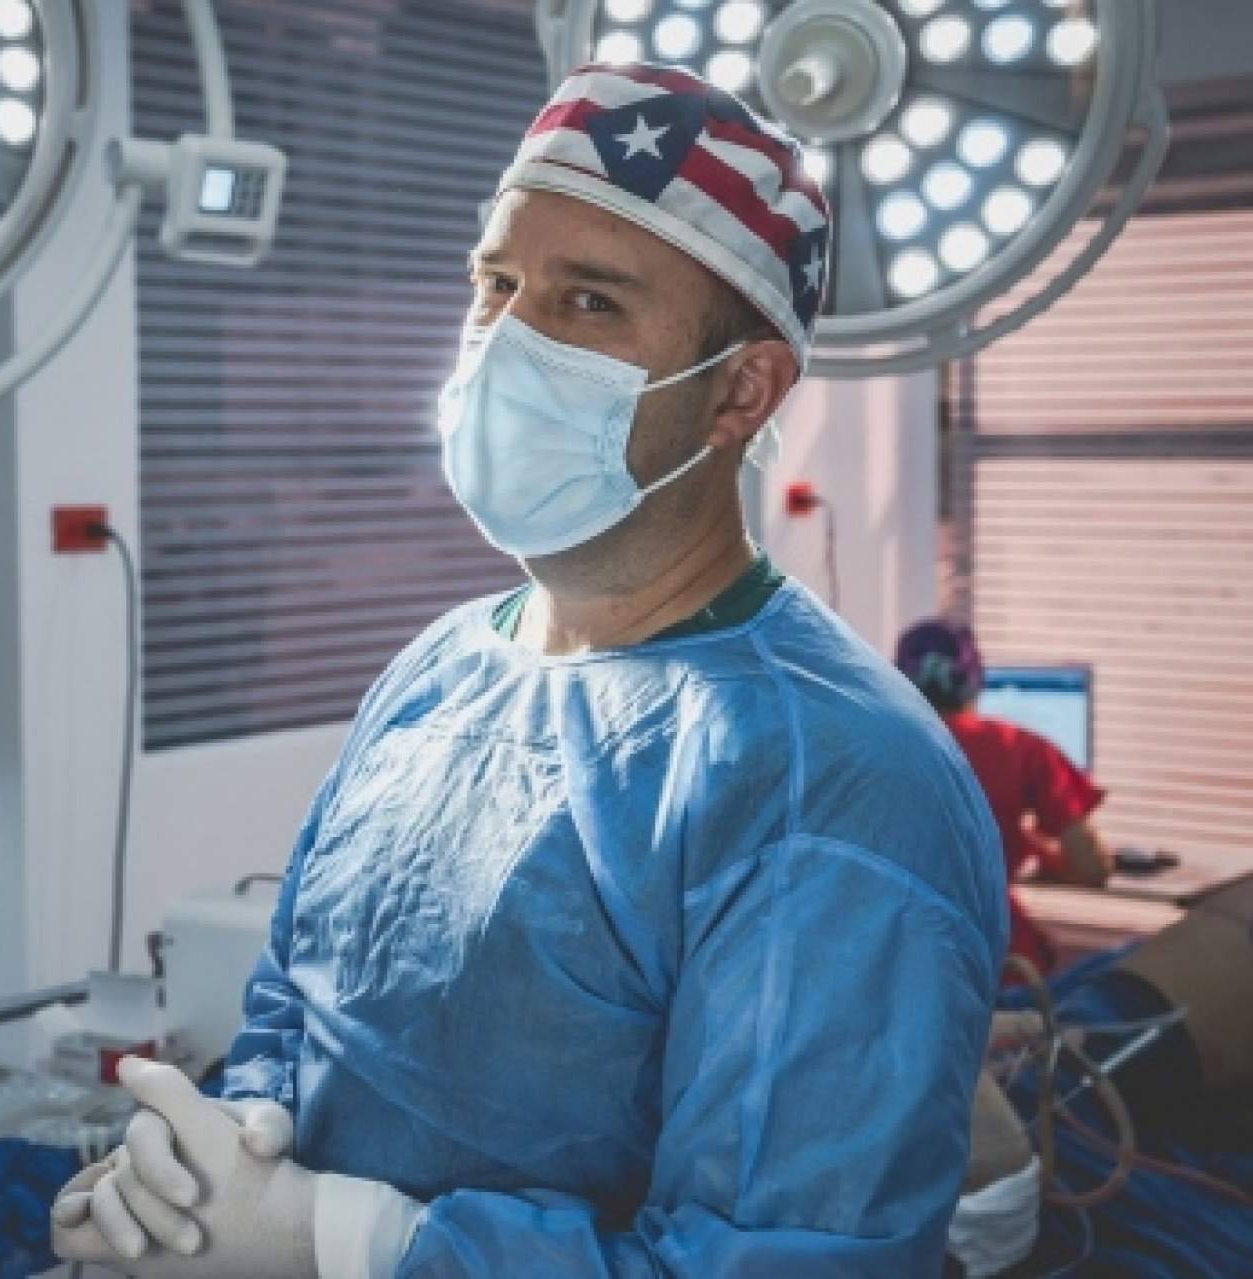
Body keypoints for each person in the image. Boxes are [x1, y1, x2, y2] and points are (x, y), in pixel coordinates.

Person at [52, 62, 1009, 1277]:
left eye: (589, 302)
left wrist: (339, 1238)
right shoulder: (442, 669)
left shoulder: (833, 782)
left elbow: (782, 1258)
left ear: (740, 390)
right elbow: (299, 1002)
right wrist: (200, 1174)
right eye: (495, 284)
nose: (507, 341)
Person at [895, 618, 1115, 976]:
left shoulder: (868, 750)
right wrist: (1028, 848)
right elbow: (1092, 867)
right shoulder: (1021, 749)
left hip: (896, 967)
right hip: (993, 967)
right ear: (976, 681)